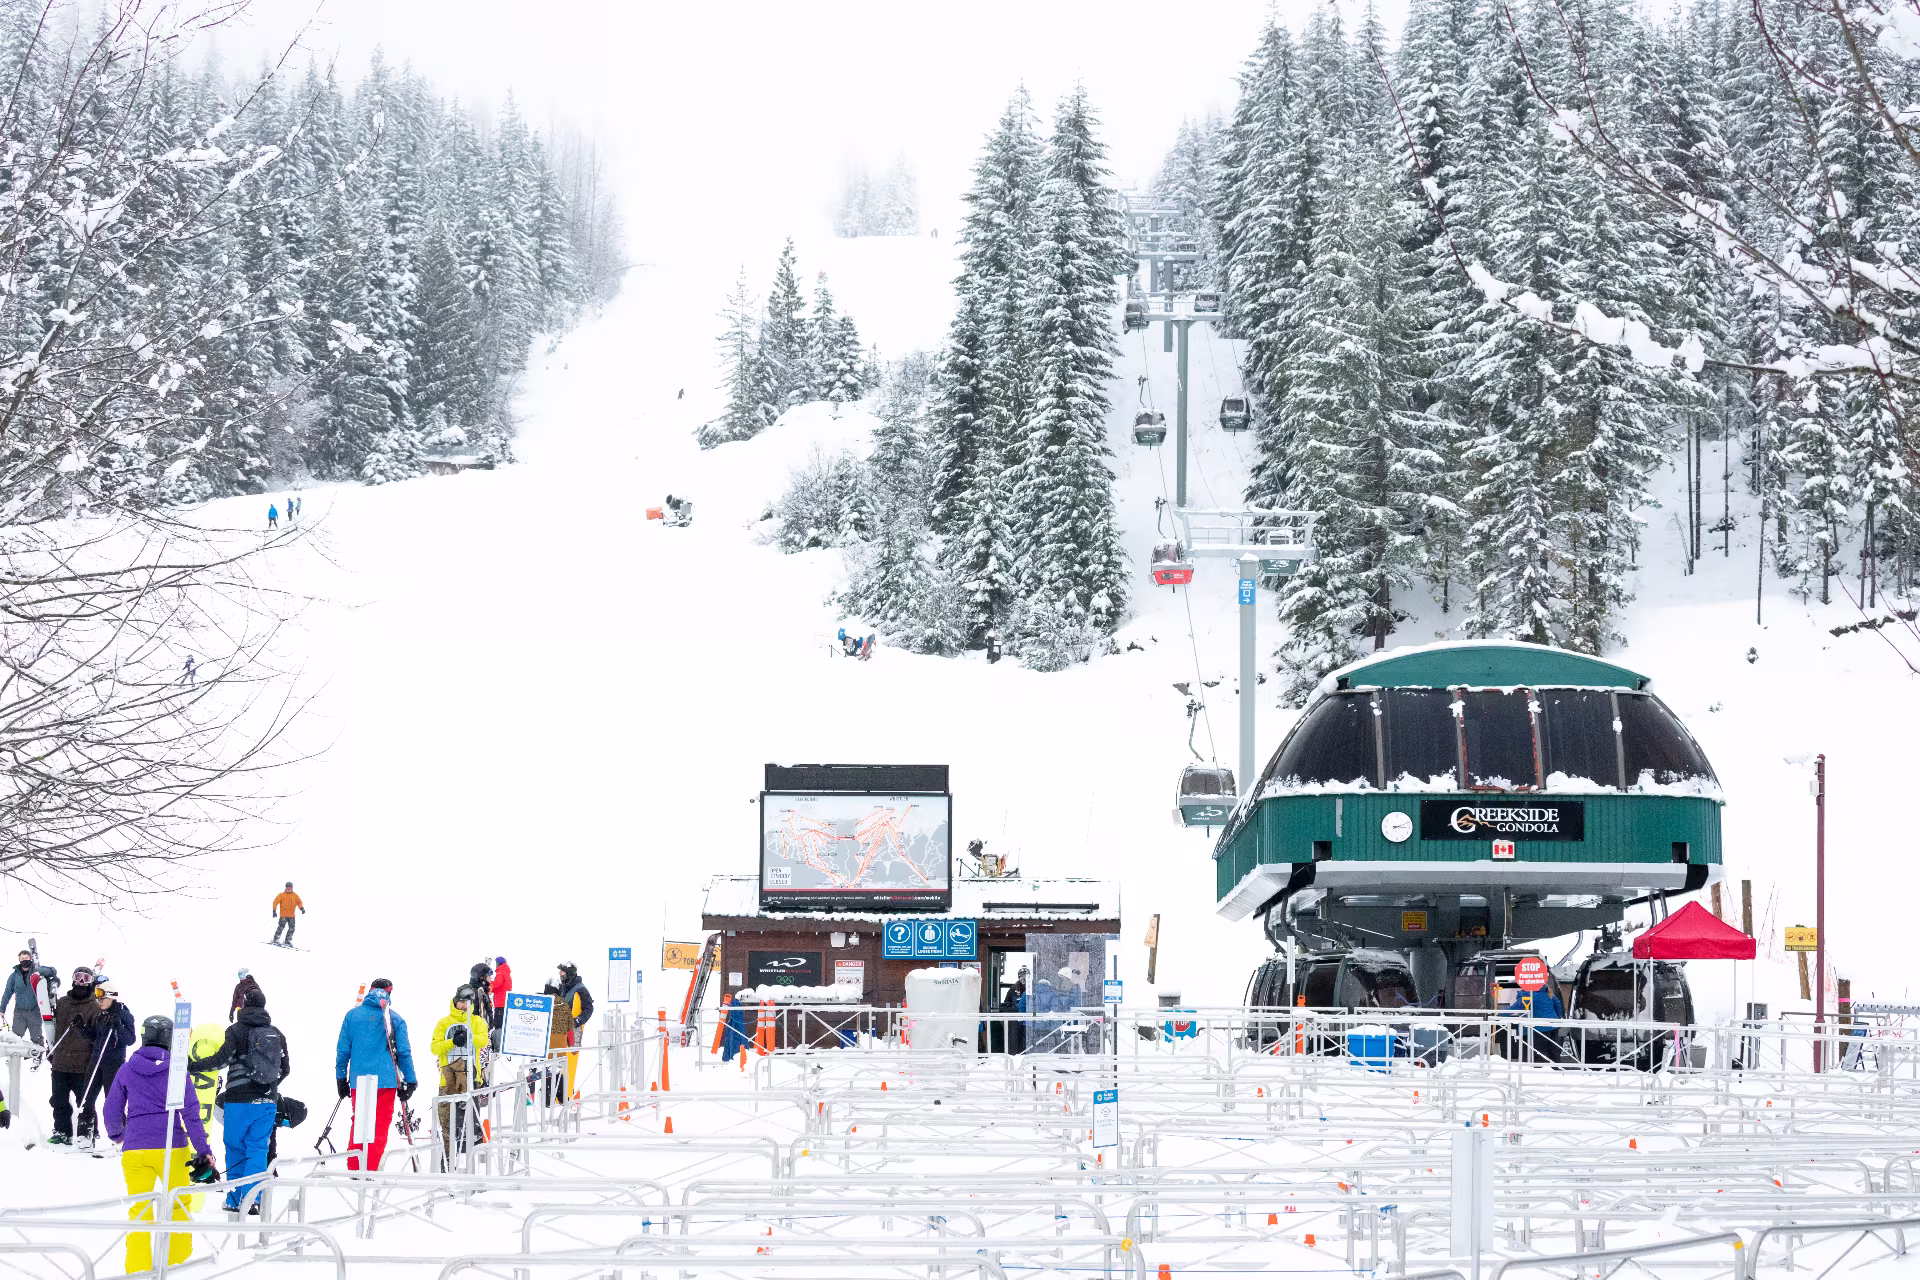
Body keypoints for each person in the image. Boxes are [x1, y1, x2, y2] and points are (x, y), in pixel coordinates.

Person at [104, 1015, 217, 1273]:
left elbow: (111, 1109)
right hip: (172, 1149)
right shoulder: (177, 1071)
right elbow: (191, 1113)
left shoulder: (127, 1069)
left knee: (140, 1210)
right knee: (178, 1206)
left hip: (135, 1150)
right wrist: (203, 1151)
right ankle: (177, 1267)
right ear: (170, 1039)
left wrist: (119, 1135)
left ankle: (138, 1270)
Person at [191, 987, 288, 1214]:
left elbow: (220, 1060)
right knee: (257, 1149)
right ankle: (254, 1200)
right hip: (266, 1103)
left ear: (243, 1006)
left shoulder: (235, 1030)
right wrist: (269, 1088)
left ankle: (236, 1200)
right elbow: (286, 1069)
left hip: (238, 1102)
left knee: (235, 1148)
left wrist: (193, 1066)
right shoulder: (276, 1034)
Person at [334, 979, 417, 1173]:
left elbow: (343, 1050)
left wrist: (340, 1078)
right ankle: (370, 1168)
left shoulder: (352, 1016)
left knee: (360, 1121)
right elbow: (403, 1052)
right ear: (389, 993)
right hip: (386, 1080)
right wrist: (410, 1080)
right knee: (379, 1124)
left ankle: (355, 1166)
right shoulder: (394, 1019)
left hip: (359, 1080)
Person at [429, 986, 489, 1166]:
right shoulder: (443, 1023)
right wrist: (452, 1041)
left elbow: (484, 1040)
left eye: (466, 1002)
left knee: (471, 1126)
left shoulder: (477, 1021)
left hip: (471, 1080)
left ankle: (472, 1166)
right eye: (460, 1001)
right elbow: (434, 1048)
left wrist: (469, 1036)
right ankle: (447, 1163)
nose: (462, 1005)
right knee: (447, 1125)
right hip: (447, 1080)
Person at [46, 965, 99, 1144]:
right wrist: (50, 1048)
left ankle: (88, 1133)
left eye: (85, 978)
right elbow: (52, 1028)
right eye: (78, 977)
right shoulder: (62, 1002)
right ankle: (62, 1131)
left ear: (91, 982)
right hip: (60, 1062)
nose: (81, 982)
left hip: (82, 1065)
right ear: (73, 979)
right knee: (58, 1100)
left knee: (84, 1102)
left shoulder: (94, 1006)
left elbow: (97, 1035)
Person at [79, 981, 136, 1143]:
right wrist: (81, 1028)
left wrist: (118, 1025)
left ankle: (123, 1138)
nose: (100, 1001)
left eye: (102, 997)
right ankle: (85, 1135)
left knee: (112, 1101)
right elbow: (95, 1037)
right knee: (86, 1096)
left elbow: (130, 1039)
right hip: (96, 1060)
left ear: (111, 996)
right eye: (98, 997)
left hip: (113, 1063)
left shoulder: (122, 1013)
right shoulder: (100, 1014)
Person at [551, 962, 593, 1098]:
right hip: (559, 1030)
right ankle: (557, 1094)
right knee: (556, 1061)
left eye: (562, 972)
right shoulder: (563, 986)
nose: (560, 974)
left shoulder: (580, 989)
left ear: (569, 973)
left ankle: (567, 1093)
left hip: (573, 1032)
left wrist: (576, 1021)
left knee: (568, 1062)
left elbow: (589, 1009)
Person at [2, 948, 56, 1044]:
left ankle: (38, 1057)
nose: (24, 960)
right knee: (15, 1038)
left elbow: (52, 971)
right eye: (22, 958)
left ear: (30, 958)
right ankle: (15, 1057)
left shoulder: (37, 971)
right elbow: (7, 993)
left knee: (36, 1037)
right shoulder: (14, 976)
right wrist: (2, 1009)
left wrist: (40, 971)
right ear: (19, 960)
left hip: (34, 1010)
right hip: (20, 1011)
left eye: (26, 958)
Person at [467, 960, 495, 1028]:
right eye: (488, 975)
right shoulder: (475, 994)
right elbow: (476, 1016)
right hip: (478, 1034)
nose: (490, 978)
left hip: (483, 1034)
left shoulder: (483, 992)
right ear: (482, 977)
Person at [488, 957, 512, 1033]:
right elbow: (501, 987)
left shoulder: (501, 972)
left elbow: (496, 984)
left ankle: (497, 1040)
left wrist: (488, 984)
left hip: (500, 1002)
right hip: (504, 1001)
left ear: (498, 963)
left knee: (498, 1024)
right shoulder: (506, 973)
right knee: (502, 1022)